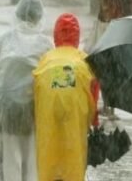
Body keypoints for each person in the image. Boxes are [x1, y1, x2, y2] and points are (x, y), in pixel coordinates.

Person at [0, 0, 53, 181]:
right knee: (31, 155)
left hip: (6, 107)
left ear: (17, 13)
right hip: (32, 108)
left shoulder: (6, 38)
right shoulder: (46, 44)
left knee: (9, 154)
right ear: (39, 16)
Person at [33, 13, 98, 181]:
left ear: (56, 35)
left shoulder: (46, 59)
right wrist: (93, 121)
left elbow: (35, 92)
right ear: (77, 36)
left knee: (50, 156)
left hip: (49, 118)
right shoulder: (85, 61)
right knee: (73, 158)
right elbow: (94, 93)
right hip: (74, 118)